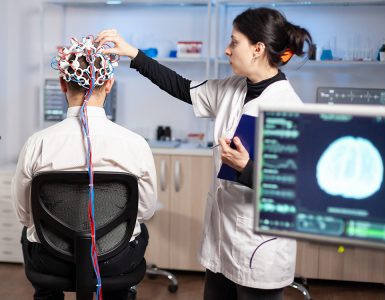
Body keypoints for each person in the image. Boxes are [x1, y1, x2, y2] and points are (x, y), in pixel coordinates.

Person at [97, 7, 312, 300]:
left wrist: (247, 167)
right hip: (223, 240)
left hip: (260, 247)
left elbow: (296, 189)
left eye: (234, 42)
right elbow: (181, 87)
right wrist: (133, 54)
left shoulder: (288, 107)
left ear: (257, 49)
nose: (227, 50)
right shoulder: (232, 89)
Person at [11, 36, 157, 300]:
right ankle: (120, 293)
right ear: (109, 84)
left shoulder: (37, 144)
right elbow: (144, 210)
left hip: (53, 260)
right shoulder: (135, 144)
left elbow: (25, 215)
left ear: (62, 84)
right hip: (114, 260)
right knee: (139, 232)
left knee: (29, 234)